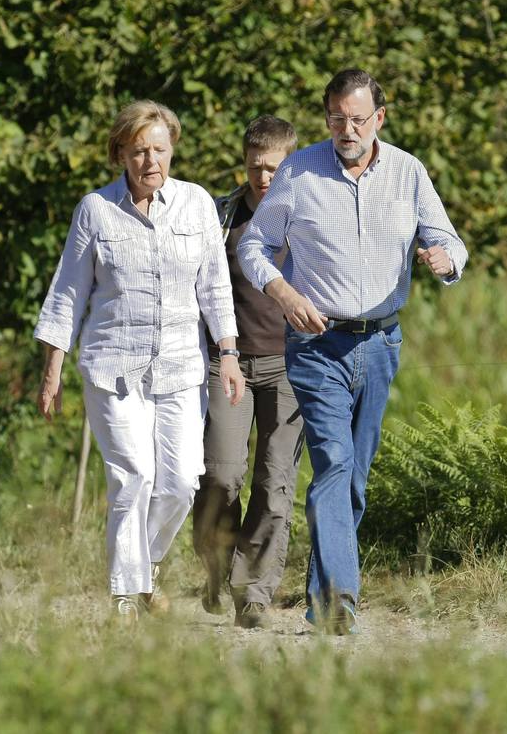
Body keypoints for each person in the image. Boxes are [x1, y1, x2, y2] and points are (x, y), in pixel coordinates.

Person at [238, 68, 468, 633]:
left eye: (357, 119)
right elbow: (253, 245)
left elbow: (448, 239)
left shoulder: (409, 173)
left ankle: (322, 599)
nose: (346, 129)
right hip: (316, 344)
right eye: (336, 118)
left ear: (379, 120)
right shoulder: (298, 172)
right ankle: (339, 606)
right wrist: (284, 292)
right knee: (334, 466)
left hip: (382, 343)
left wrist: (445, 262)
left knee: (353, 481)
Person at [34, 99, 246, 624]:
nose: (150, 161)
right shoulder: (96, 210)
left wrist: (228, 353)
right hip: (113, 368)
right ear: (121, 155)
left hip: (181, 367)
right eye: (138, 152)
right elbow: (68, 291)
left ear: (172, 150)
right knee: (132, 478)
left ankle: (142, 567)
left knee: (180, 483)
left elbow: (215, 287)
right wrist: (52, 369)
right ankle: (126, 599)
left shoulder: (197, 205)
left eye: (159, 150)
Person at [193, 115, 305, 629]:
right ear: (244, 163)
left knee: (274, 482)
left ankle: (254, 592)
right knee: (221, 474)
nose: (263, 177)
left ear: (291, 164)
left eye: (274, 168)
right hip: (227, 363)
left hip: (291, 364)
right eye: (255, 166)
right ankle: (216, 566)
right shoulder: (220, 216)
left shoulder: (308, 218)